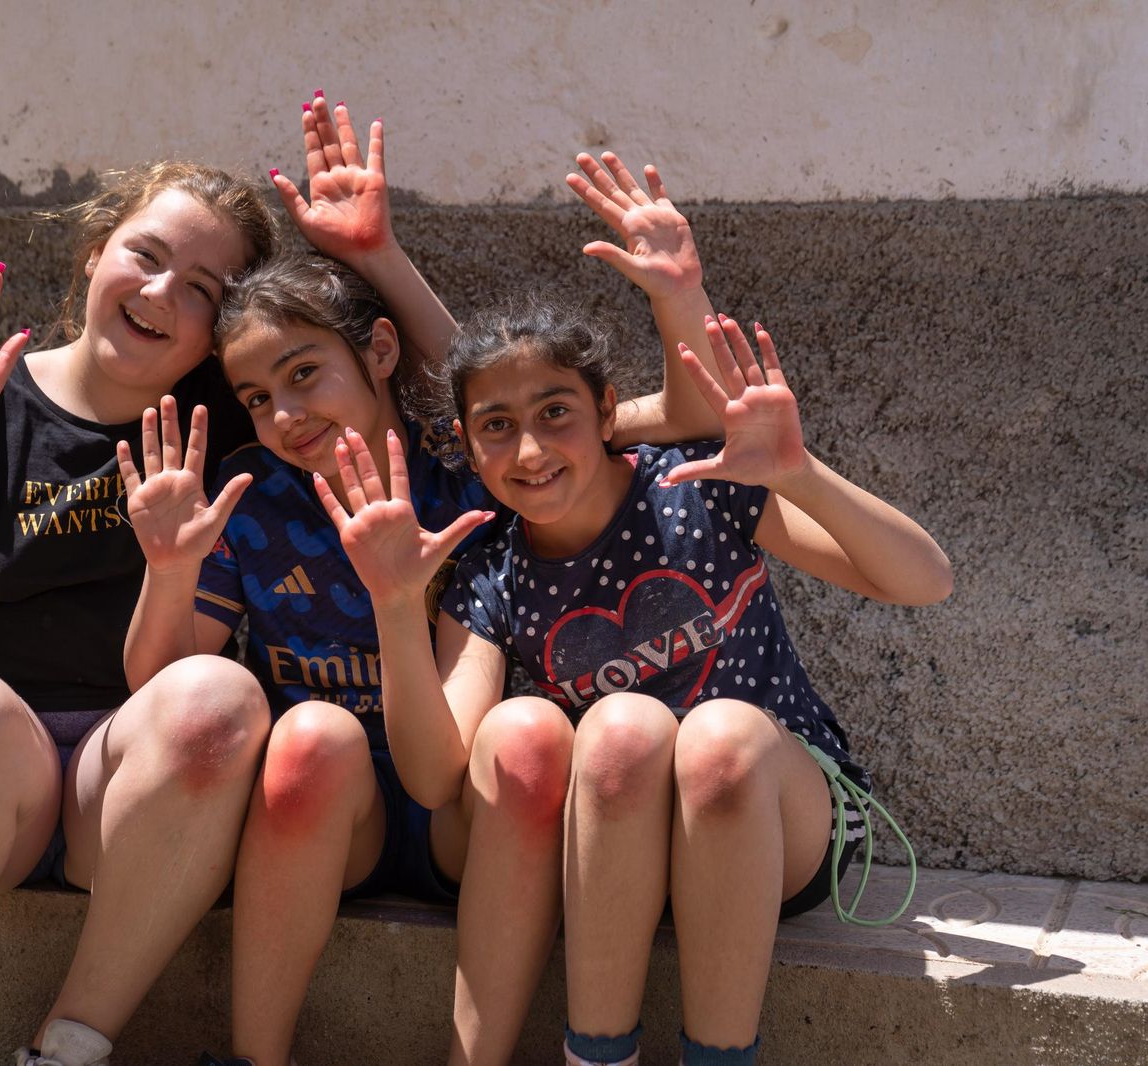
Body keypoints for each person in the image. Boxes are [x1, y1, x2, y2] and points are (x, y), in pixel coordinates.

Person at [0, 91, 444, 1066]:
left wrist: (375, 256)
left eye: (204, 290)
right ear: (97, 249)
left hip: (147, 792)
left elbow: (460, 400)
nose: (161, 293)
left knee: (219, 695)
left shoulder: (241, 419)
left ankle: (70, 1044)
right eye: (147, 255)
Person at [123, 125, 731, 1065]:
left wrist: (377, 255)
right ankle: (254, 1058)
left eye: (302, 375)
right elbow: (163, 694)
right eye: (255, 397)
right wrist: (167, 572)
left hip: (466, 814)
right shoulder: (251, 500)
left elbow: (660, 414)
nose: (285, 415)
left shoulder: (474, 469)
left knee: (527, 735)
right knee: (317, 738)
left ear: (374, 352)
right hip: (327, 817)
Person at [319, 303, 953, 1066]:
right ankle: (595, 1057)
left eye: (556, 412)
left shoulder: (696, 487)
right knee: (617, 730)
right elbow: (433, 778)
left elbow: (923, 582)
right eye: (495, 425)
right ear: (465, 444)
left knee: (718, 738)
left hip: (774, 818)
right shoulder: (494, 569)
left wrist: (800, 474)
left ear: (607, 411)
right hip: (618, 843)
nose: (530, 448)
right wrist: (394, 606)